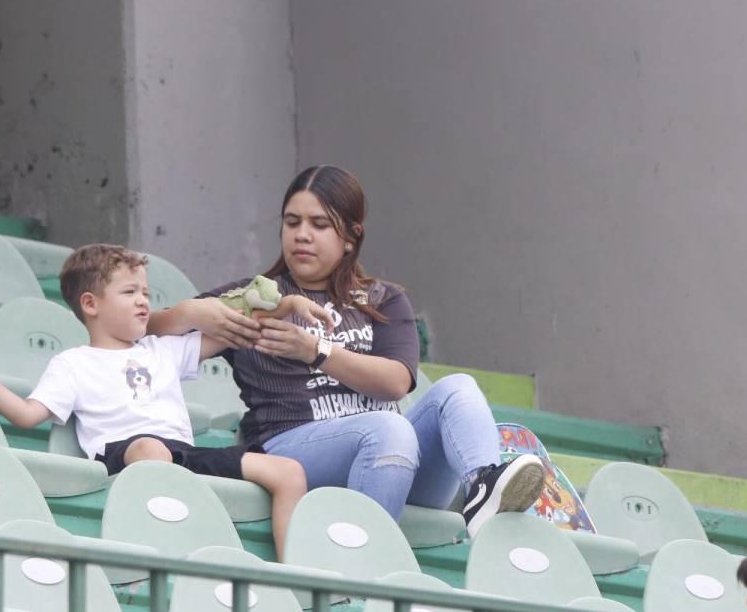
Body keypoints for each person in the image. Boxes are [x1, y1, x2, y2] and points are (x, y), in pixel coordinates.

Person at [148, 165, 545, 536]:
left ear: (351, 237)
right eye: (292, 223)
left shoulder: (381, 299)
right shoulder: (259, 295)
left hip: (394, 461)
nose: (302, 235)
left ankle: (482, 487)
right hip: (291, 450)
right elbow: (144, 335)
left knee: (456, 389)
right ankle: (360, 559)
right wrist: (192, 310)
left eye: (320, 224)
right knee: (387, 429)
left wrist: (316, 351)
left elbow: (395, 383)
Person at [0, 243, 325, 560]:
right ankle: (174, 542)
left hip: (182, 455)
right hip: (127, 454)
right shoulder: (73, 363)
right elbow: (26, 415)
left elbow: (240, 330)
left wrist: (286, 305)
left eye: (146, 293)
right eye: (129, 292)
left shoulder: (162, 349)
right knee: (150, 448)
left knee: (288, 471)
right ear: (90, 304)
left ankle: (294, 574)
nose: (143, 303)